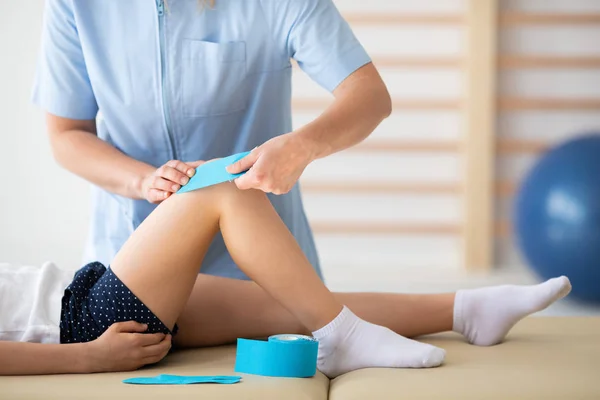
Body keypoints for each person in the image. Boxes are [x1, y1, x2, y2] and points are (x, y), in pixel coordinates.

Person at [0, 179, 572, 376]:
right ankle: (342, 336)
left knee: (296, 304)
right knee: (221, 192)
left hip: (76, 297)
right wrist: (88, 359)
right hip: (78, 325)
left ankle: (469, 310)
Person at [32, 0, 392, 280]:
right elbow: (67, 134)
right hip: (129, 263)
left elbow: (369, 96)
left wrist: (302, 146)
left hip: (262, 271)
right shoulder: (76, 5)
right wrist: (143, 181)